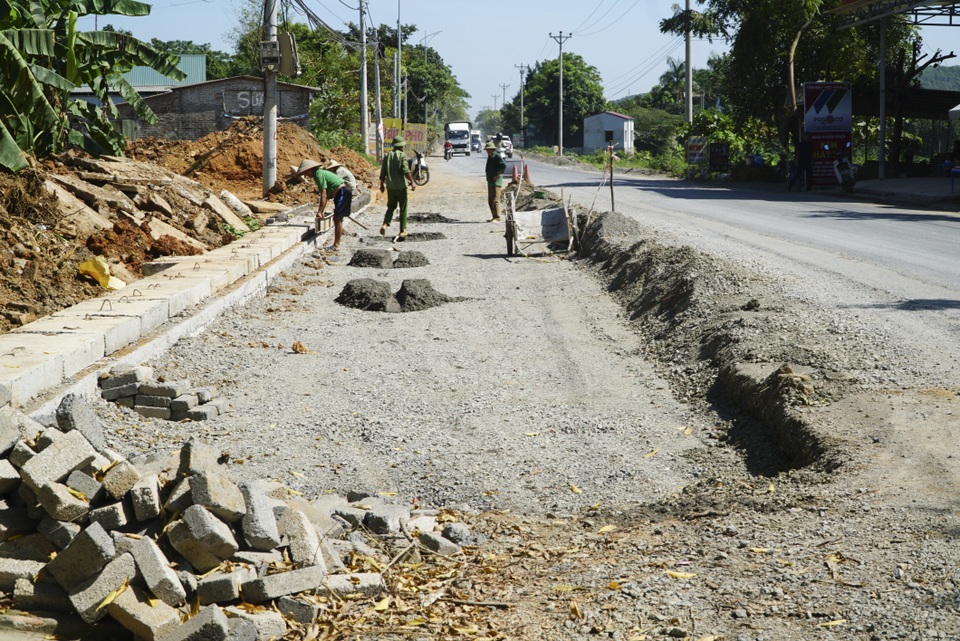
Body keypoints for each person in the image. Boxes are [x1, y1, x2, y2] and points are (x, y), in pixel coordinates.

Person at [295, 158, 351, 251]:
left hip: (342, 193)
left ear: (309, 170)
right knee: (337, 218)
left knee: (337, 219)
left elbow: (323, 194)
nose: (306, 176)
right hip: (341, 193)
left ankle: (336, 245)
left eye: (306, 173)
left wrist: (320, 211)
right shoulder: (320, 173)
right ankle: (336, 244)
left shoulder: (318, 175)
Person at [379, 137, 415, 237]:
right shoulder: (402, 155)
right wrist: (412, 182)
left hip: (390, 187)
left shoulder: (387, 156)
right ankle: (402, 230)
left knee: (391, 207)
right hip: (401, 187)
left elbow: (383, 172)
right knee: (403, 208)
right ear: (401, 146)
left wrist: (381, 185)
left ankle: (385, 224)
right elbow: (406, 171)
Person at [484, 141, 506, 222]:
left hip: (496, 181)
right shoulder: (490, 157)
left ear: (493, 149)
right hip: (490, 180)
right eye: (487, 150)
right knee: (490, 200)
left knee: (495, 199)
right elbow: (488, 168)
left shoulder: (497, 156)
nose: (488, 151)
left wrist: (497, 175)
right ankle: (493, 216)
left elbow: (503, 165)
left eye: (490, 149)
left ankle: (497, 217)